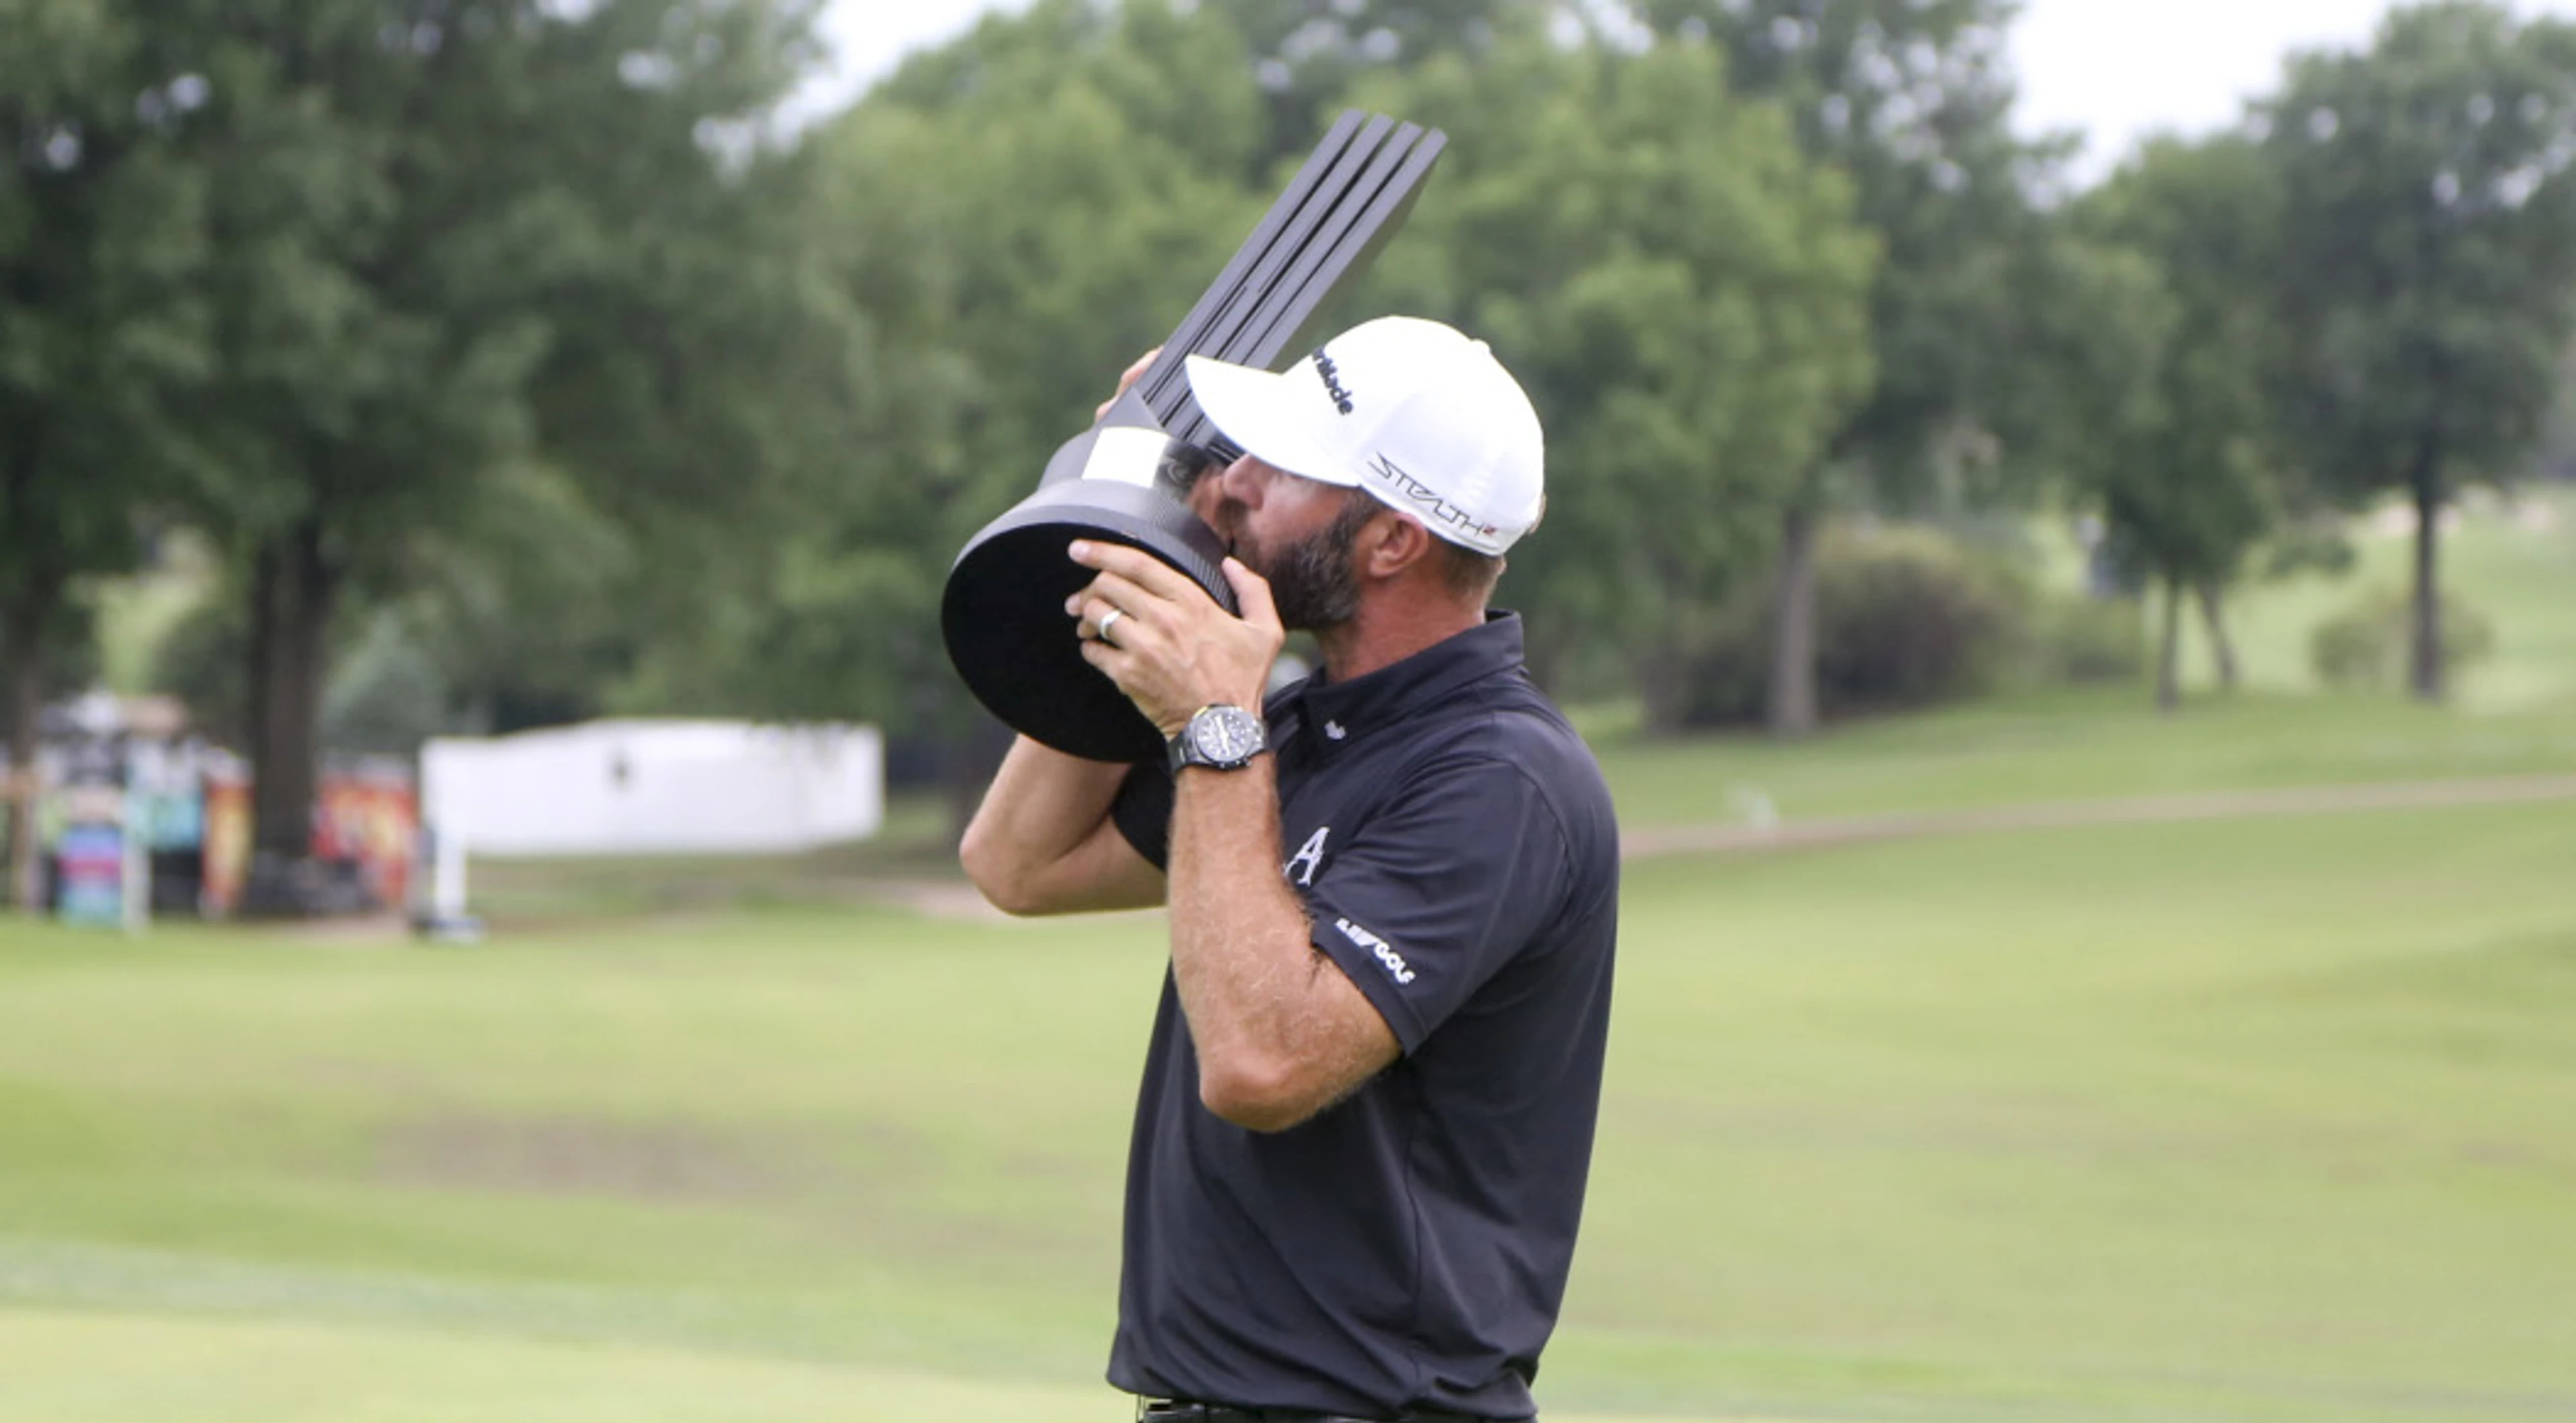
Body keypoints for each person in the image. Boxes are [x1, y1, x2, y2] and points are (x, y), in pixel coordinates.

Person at [961, 316, 1619, 1422]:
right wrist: (1142, 530)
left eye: (1284, 468)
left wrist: (1213, 723)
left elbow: (1261, 1069)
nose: (1235, 484)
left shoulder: (1503, 777)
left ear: (1392, 542)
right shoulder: (1301, 730)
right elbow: (1020, 861)